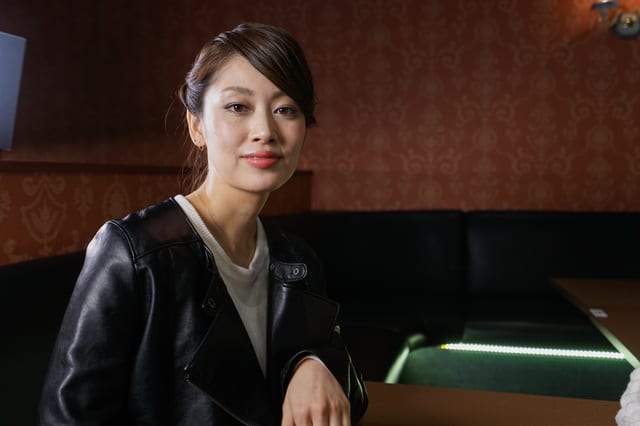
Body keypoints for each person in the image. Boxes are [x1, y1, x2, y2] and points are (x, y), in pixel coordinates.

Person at [37, 22, 368, 426]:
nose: (265, 131)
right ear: (197, 125)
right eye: (238, 107)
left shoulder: (296, 259)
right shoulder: (133, 253)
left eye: (285, 109)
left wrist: (313, 362)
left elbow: (343, 384)